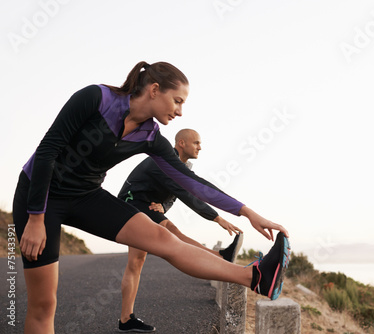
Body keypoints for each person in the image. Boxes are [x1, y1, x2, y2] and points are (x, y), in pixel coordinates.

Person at [13, 61, 290, 334]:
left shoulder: (151, 137)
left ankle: (255, 278)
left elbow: (192, 183)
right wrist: (36, 218)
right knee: (44, 303)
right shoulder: (96, 98)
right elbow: (48, 150)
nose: (180, 112)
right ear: (155, 90)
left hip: (86, 195)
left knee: (164, 239)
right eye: (177, 101)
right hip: (40, 195)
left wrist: (247, 212)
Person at [117, 128, 244, 332]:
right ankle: (220, 256)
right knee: (168, 234)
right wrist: (216, 217)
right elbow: (186, 194)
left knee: (137, 261)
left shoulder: (183, 166)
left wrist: (163, 207)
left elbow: (173, 196)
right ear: (181, 143)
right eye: (196, 143)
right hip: (131, 202)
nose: (200, 147)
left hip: (146, 204)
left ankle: (125, 319)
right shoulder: (164, 161)